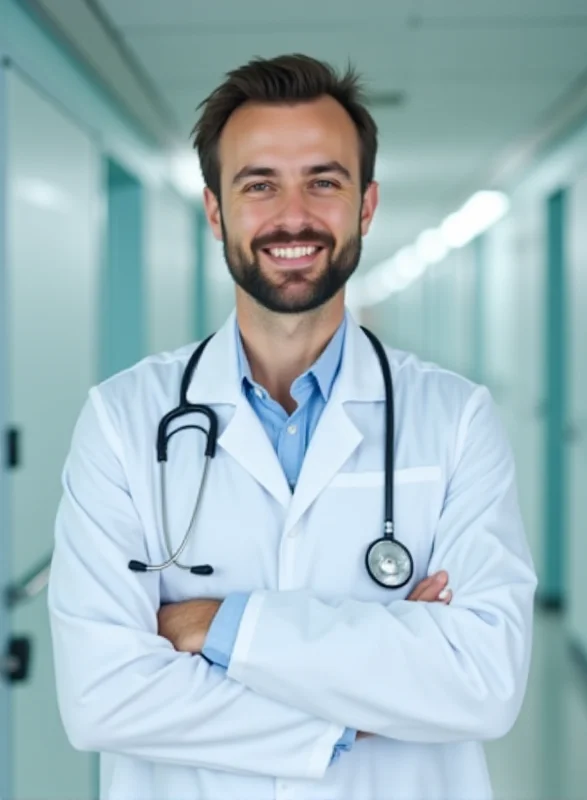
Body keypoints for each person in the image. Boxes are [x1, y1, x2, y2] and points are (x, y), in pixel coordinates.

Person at [48, 54, 537, 800]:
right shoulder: (122, 421)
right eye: (259, 184)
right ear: (216, 209)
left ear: (366, 205)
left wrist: (213, 625)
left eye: (324, 180)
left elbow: (483, 680)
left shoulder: (456, 419)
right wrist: (361, 708)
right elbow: (101, 697)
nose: (293, 216)